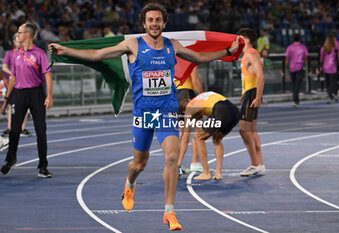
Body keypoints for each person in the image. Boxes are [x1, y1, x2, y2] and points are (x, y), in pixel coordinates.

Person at [48, 3, 241, 231]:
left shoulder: (172, 45)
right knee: (139, 164)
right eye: (150, 20)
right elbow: (98, 54)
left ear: (164, 23)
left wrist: (228, 51)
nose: (154, 24)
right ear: (144, 23)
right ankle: (130, 184)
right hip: (143, 114)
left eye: (158, 20)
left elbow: (198, 56)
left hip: (166, 112)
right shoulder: (133, 45)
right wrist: (67, 51)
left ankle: (169, 212)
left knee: (171, 157)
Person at [0, 23, 54, 178]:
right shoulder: (16, 55)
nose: (17, 34)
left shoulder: (39, 54)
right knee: (14, 130)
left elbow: (48, 75)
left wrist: (49, 96)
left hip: (36, 94)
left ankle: (43, 167)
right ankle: (10, 160)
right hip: (19, 95)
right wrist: (6, 101)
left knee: (40, 131)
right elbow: (13, 78)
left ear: (28, 35)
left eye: (20, 32)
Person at [178, 91, 240, 180]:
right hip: (234, 111)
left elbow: (185, 138)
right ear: (188, 99)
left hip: (221, 110)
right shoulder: (201, 97)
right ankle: (218, 173)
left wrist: (179, 162)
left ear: (183, 111)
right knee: (217, 138)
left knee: (198, 137)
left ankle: (206, 173)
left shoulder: (189, 108)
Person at [237, 28, 266, 177]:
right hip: (248, 93)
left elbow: (261, 76)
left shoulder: (251, 54)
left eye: (239, 38)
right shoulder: (246, 55)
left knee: (244, 130)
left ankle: (254, 164)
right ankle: (259, 164)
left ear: (246, 40)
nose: (237, 41)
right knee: (252, 131)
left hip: (251, 93)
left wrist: (258, 97)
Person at [175, 66, 204, 176]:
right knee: (198, 128)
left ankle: (178, 164)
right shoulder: (189, 59)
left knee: (182, 132)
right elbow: (195, 80)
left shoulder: (173, 58)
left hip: (176, 94)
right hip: (186, 93)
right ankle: (192, 163)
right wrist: (203, 96)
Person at [1, 33, 32, 137]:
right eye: (18, 41)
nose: (20, 42)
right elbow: (4, 67)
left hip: (25, 82)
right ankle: (10, 128)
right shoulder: (10, 53)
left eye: (21, 41)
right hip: (13, 82)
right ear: (14, 42)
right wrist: (12, 74)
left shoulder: (27, 53)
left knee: (25, 105)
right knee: (11, 104)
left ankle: (22, 128)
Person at [285, 33, 309, 108]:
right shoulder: (303, 47)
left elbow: (287, 59)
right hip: (299, 67)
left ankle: (296, 99)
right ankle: (296, 100)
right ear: (300, 39)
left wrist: (285, 67)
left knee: (294, 84)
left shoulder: (289, 47)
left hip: (292, 68)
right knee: (297, 85)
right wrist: (307, 66)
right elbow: (306, 58)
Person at [320, 36, 339, 104]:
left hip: (325, 67)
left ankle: (330, 95)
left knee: (328, 83)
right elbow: (337, 59)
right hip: (332, 68)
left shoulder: (323, 49)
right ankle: (331, 96)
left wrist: (321, 66)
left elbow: (321, 59)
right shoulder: (335, 49)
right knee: (332, 83)